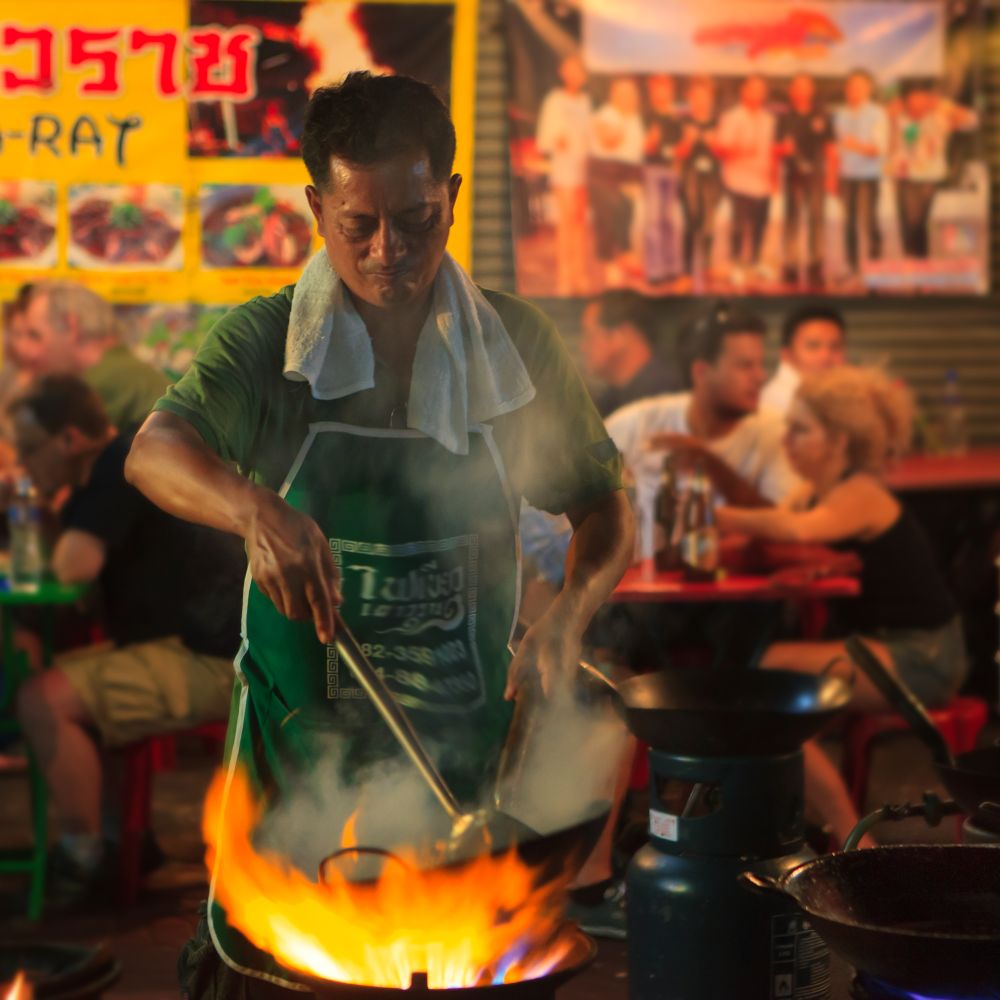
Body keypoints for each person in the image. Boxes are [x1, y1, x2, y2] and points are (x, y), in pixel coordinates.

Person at [124, 72, 633, 994]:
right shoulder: (267, 344)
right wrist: (252, 508)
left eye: (417, 219)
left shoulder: (515, 346)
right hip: (296, 765)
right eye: (358, 224)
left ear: (453, 198)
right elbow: (155, 451)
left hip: (457, 770)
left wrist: (568, 615)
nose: (388, 250)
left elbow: (606, 505)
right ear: (316, 209)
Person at [13, 376, 245, 903]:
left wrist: (34, 500)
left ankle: (84, 857)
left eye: (29, 450)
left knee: (42, 700)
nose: (24, 463)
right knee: (68, 677)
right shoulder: (118, 463)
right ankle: (124, 844)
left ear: (69, 439)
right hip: (198, 644)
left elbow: (72, 568)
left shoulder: (117, 469)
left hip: (211, 658)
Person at [717, 366, 967, 848]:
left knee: (762, 681)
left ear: (838, 440)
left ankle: (851, 837)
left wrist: (711, 513)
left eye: (800, 429)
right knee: (758, 686)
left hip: (924, 656)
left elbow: (797, 530)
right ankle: (810, 826)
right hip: (880, 645)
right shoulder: (815, 489)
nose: (786, 440)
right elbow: (778, 521)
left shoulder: (861, 492)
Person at [607, 302, 800, 561]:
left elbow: (786, 528)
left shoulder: (776, 432)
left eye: (760, 364)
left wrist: (709, 463)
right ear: (701, 371)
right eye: (745, 366)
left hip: (739, 586)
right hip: (646, 583)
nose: (761, 376)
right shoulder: (637, 424)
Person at [16, 281, 169, 429]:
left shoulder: (92, 387)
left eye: (35, 336)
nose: (29, 351)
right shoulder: (125, 370)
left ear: (70, 326)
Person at [889, 79, 978, 259]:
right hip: (903, 175)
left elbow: (973, 121)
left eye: (922, 98)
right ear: (907, 100)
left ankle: (920, 261)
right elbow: (891, 143)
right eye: (914, 99)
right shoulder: (899, 117)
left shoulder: (939, 117)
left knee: (918, 222)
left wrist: (944, 105)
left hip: (928, 177)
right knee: (906, 223)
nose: (918, 103)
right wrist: (891, 116)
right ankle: (912, 258)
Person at [536, 53, 592, 296]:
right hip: (564, 170)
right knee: (566, 223)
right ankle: (564, 277)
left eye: (578, 70)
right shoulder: (554, 101)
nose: (574, 74)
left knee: (580, 222)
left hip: (584, 170)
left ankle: (579, 275)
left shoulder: (586, 102)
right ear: (562, 72)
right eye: (570, 69)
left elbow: (591, 135)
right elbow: (544, 138)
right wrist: (557, 140)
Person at [581, 289, 683, 417]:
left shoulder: (661, 394)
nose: (583, 347)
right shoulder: (613, 397)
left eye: (590, 336)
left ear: (620, 335)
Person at [777, 74, 837, 289]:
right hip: (792, 174)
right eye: (797, 86)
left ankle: (816, 264)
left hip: (817, 175)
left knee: (816, 218)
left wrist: (832, 176)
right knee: (792, 219)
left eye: (805, 86)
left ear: (812, 90)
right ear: (791, 91)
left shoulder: (822, 116)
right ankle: (790, 264)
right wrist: (784, 149)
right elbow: (776, 148)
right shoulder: (784, 117)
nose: (801, 91)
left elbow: (830, 148)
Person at [715, 76, 776, 282]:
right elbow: (721, 149)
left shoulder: (769, 119)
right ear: (743, 91)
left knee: (760, 225)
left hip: (763, 182)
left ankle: (755, 262)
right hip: (738, 181)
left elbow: (771, 151)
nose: (757, 94)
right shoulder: (731, 117)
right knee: (739, 227)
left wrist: (773, 177)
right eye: (753, 89)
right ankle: (736, 265)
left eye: (761, 90)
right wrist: (741, 149)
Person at [589, 76, 645, 286]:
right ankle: (609, 265)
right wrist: (624, 123)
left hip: (628, 172)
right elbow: (609, 142)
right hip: (604, 172)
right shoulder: (605, 114)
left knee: (625, 217)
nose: (627, 97)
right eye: (623, 92)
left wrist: (636, 177)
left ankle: (624, 263)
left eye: (631, 93)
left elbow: (636, 148)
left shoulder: (634, 117)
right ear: (613, 94)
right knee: (607, 219)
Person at [835, 69, 888, 277]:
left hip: (869, 176)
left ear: (868, 89)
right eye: (850, 86)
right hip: (846, 175)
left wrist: (854, 145)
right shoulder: (840, 113)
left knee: (869, 222)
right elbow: (836, 148)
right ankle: (851, 266)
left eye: (859, 86)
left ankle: (875, 266)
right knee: (848, 223)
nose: (853, 90)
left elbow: (878, 149)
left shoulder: (877, 114)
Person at [675, 76, 723, 287]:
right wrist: (688, 141)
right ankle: (686, 271)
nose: (701, 100)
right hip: (689, 177)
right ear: (690, 98)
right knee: (690, 222)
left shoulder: (718, 122)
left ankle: (706, 267)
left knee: (708, 224)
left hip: (712, 178)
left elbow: (725, 152)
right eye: (697, 96)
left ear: (711, 98)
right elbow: (677, 153)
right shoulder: (682, 122)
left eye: (705, 96)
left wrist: (715, 144)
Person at [761, 304, 847, 414]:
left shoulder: (832, 396)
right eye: (813, 346)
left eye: (835, 347)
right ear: (786, 355)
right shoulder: (778, 403)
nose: (825, 356)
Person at [642, 74, 682, 283]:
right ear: (651, 91)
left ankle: (672, 267)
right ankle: (655, 271)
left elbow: (680, 147)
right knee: (653, 221)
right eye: (657, 88)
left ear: (671, 91)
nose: (661, 92)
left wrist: (678, 160)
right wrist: (651, 140)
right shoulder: (646, 115)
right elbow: (644, 147)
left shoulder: (676, 116)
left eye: (665, 88)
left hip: (671, 172)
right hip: (652, 171)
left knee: (670, 220)